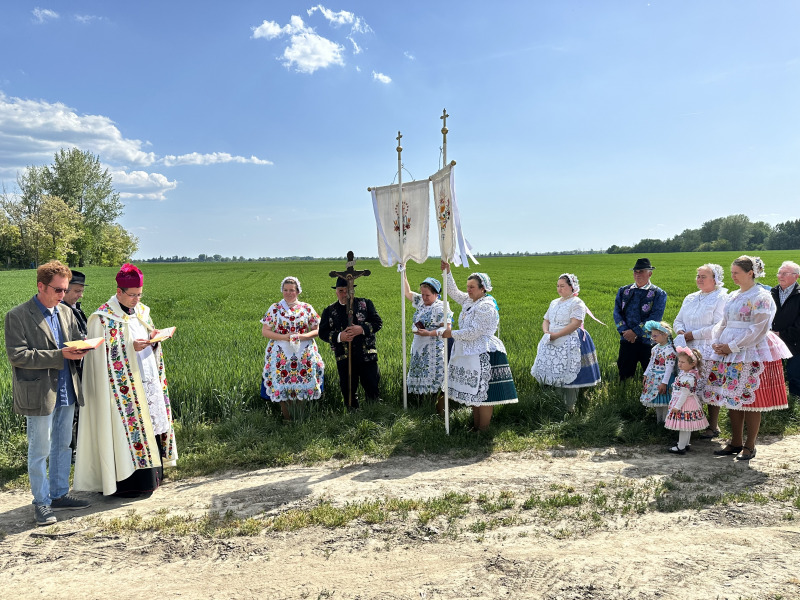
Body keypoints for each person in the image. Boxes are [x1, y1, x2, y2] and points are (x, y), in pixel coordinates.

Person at [74, 263, 178, 496]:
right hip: (118, 392)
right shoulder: (102, 319)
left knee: (150, 424)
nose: (136, 299)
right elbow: (100, 357)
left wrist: (154, 339)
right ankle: (127, 484)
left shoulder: (142, 312)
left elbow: (146, 334)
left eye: (139, 294)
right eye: (132, 295)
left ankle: (152, 477)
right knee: (126, 431)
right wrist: (131, 348)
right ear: (119, 291)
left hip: (145, 379)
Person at [4, 260, 91, 526]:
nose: (63, 295)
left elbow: (76, 340)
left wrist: (83, 348)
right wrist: (59, 355)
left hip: (67, 388)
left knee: (63, 445)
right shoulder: (17, 315)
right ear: (41, 286)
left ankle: (59, 494)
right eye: (58, 290)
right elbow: (18, 356)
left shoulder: (65, 312)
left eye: (66, 290)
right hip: (39, 393)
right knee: (39, 450)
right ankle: (41, 502)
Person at [703, 256, 791, 460]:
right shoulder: (733, 296)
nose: (732, 276)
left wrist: (732, 346)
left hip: (750, 350)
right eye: (732, 272)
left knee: (751, 401)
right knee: (732, 397)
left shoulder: (762, 296)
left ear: (750, 273)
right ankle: (735, 442)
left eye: (736, 272)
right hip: (728, 351)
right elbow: (723, 322)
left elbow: (759, 329)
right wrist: (717, 342)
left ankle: (750, 445)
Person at [440, 260, 518, 431]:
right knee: (474, 393)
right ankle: (476, 427)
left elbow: (474, 332)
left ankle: (483, 430)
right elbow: (453, 292)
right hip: (471, 351)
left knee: (484, 396)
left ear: (483, 289)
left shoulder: (486, 306)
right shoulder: (470, 301)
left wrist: (451, 333)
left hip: (484, 352)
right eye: (467, 286)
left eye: (472, 287)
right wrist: (447, 271)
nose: (468, 290)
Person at [531, 273, 601, 412]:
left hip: (571, 340)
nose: (559, 289)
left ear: (572, 287)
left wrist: (556, 335)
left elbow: (576, 323)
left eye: (562, 286)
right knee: (554, 371)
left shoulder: (577, 302)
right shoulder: (554, 302)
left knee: (571, 375)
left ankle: (570, 408)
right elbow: (546, 320)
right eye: (558, 286)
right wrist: (547, 333)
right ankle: (557, 405)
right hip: (551, 340)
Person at [673, 264, 728, 439]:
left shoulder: (722, 297)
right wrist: (681, 331)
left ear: (715, 279)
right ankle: (690, 423)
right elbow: (678, 320)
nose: (699, 279)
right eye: (698, 276)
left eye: (704, 276)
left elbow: (719, 325)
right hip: (687, 348)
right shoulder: (690, 297)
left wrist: (693, 334)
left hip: (708, 347)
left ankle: (713, 425)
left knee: (710, 387)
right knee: (688, 386)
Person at [260, 276, 325, 421]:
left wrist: (302, 336)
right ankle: (287, 419)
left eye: (292, 290)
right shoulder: (275, 308)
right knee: (283, 384)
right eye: (285, 290)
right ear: (282, 291)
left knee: (302, 384)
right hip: (280, 355)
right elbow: (265, 331)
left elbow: (317, 330)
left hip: (304, 353)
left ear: (298, 291)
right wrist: (286, 337)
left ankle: (299, 417)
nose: (289, 293)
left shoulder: (307, 308)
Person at [318, 277, 383, 409]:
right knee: (348, 391)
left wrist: (361, 329)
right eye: (341, 291)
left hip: (367, 356)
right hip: (344, 357)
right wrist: (339, 336)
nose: (345, 294)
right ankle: (352, 419)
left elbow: (377, 323)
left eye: (348, 291)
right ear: (336, 291)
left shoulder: (365, 304)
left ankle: (375, 415)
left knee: (372, 387)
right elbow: (322, 332)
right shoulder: (329, 311)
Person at [401, 267, 452, 412]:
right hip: (418, 347)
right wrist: (403, 271)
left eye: (427, 295)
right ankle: (421, 408)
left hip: (433, 350)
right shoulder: (421, 303)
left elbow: (447, 329)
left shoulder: (441, 307)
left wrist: (429, 333)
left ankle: (434, 409)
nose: (424, 298)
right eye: (422, 294)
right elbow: (407, 293)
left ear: (436, 294)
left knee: (433, 380)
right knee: (419, 378)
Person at [613, 258, 667, 381]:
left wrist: (635, 332)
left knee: (651, 375)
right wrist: (625, 332)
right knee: (624, 374)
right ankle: (623, 398)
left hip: (648, 341)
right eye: (635, 271)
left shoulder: (658, 293)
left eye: (641, 271)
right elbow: (617, 313)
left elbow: (655, 317)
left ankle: (650, 399)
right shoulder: (624, 291)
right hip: (627, 339)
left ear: (650, 273)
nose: (638, 274)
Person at [62, 269, 88, 462]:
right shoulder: (62, 311)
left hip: (82, 364)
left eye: (81, 291)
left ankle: (79, 447)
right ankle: (71, 452)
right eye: (77, 291)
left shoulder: (76, 308)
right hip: (68, 367)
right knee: (72, 410)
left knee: (79, 409)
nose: (80, 295)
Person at [665, 346, 709, 454]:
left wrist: (677, 406)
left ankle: (681, 447)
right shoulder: (685, 374)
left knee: (684, 426)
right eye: (679, 361)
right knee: (686, 425)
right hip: (686, 402)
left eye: (683, 362)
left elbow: (684, 394)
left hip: (685, 403)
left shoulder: (688, 377)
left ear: (692, 364)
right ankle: (685, 443)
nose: (679, 364)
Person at [771, 261, 800, 398]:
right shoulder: (772, 292)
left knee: (794, 374)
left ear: (796, 276)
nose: (780, 276)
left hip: (796, 342)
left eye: (785, 273)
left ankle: (794, 402)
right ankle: (776, 398)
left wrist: (781, 334)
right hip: (773, 341)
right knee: (773, 373)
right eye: (779, 273)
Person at [640, 321, 676, 423]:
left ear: (665, 335)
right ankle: (658, 421)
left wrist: (664, 383)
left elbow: (669, 368)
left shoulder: (669, 350)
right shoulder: (655, 348)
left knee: (665, 402)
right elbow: (651, 362)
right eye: (652, 336)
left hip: (665, 379)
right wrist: (646, 374)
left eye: (655, 335)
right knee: (657, 401)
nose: (653, 338)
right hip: (654, 377)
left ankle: (666, 422)